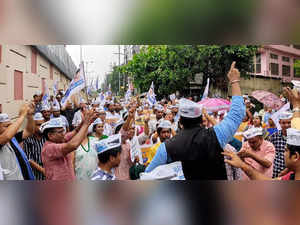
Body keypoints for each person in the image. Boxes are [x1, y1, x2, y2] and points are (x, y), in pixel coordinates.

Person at [145, 62, 246, 180]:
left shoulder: (166, 148)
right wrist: (234, 81)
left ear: (180, 122)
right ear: (200, 120)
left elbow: (147, 175)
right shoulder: (216, 135)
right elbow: (237, 113)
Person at [223, 128, 300, 180]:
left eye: (286, 151)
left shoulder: (269, 146)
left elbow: (268, 164)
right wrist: (241, 159)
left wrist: (250, 155)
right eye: (249, 142)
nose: (283, 154)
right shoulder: (289, 177)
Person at [41, 110, 97, 180]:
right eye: (60, 132)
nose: (63, 133)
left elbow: (75, 131)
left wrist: (85, 121)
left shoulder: (60, 140)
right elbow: (73, 145)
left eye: (63, 130)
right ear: (50, 135)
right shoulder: (49, 148)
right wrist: (86, 124)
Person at [0, 104, 35, 180]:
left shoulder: (13, 138)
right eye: (6, 126)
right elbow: (7, 136)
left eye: (10, 125)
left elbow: (29, 131)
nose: (10, 127)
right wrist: (22, 115)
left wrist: (29, 116)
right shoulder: (4, 139)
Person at [23, 112, 46, 180]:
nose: (41, 127)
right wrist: (42, 170)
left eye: (43, 124)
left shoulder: (47, 136)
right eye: (38, 125)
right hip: (35, 172)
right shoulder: (28, 139)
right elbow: (28, 158)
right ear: (33, 125)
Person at [268, 111, 292, 178]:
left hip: (291, 172)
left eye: (289, 122)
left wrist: (286, 170)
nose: (286, 125)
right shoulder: (273, 136)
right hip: (275, 171)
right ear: (279, 123)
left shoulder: (296, 137)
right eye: (283, 123)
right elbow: (269, 153)